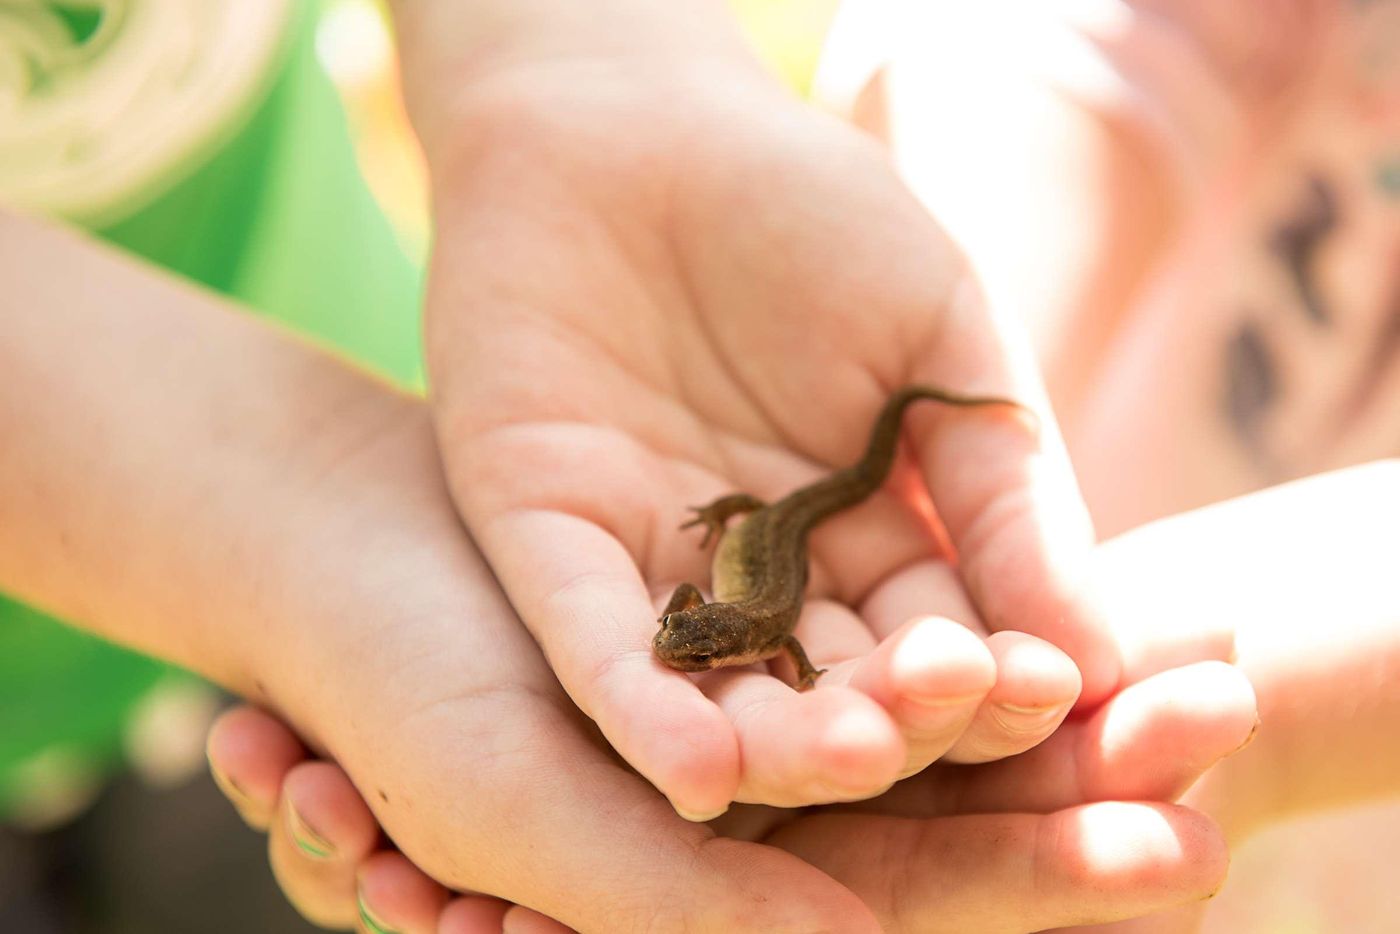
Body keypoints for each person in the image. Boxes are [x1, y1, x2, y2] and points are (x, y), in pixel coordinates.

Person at [1, 0, 1257, 931]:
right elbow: (754, 634)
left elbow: (775, 621)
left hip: (733, 511)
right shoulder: (738, 626)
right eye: (687, 643)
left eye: (687, 644)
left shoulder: (754, 616)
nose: (679, 644)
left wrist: (580, 65)